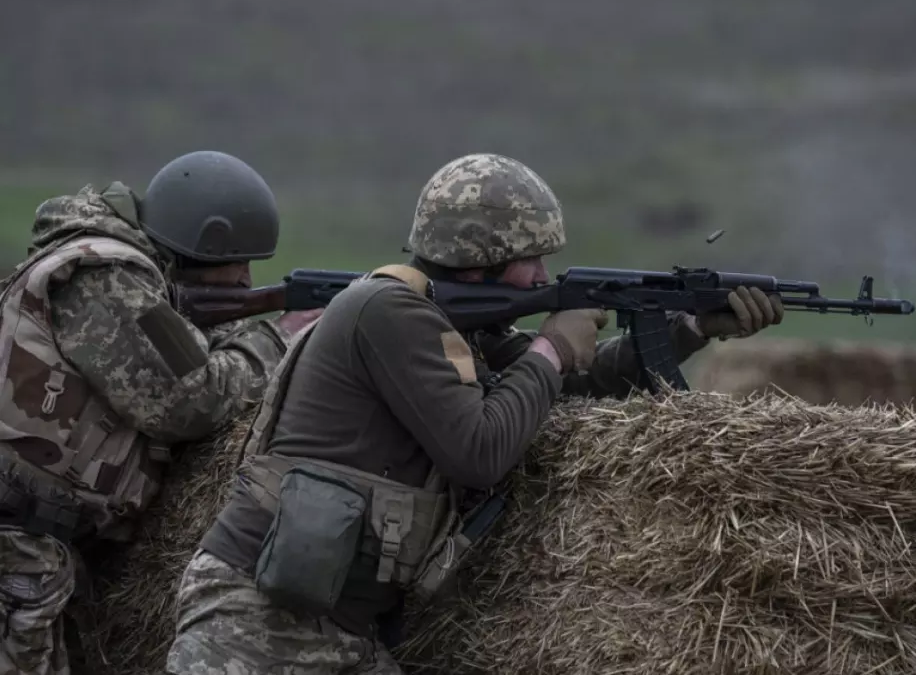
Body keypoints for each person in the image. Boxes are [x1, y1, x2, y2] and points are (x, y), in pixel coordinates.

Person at [166, 153, 784, 675]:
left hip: (339, 626)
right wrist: (549, 347)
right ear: (479, 258)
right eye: (531, 258)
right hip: (256, 623)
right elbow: (479, 449)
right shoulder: (388, 311)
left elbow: (572, 387)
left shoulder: (457, 328)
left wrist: (690, 328)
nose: (544, 274)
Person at [0, 150, 320, 675]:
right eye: (234, 261)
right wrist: (281, 335)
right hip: (17, 550)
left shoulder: (123, 277)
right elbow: (189, 401)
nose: (244, 279)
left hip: (37, 553)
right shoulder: (106, 278)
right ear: (197, 246)